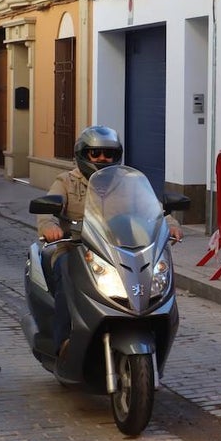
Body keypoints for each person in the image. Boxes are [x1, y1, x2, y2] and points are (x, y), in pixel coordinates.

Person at [38, 125, 182, 357]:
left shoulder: (127, 182)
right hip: (75, 246)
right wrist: (49, 226)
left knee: (153, 276)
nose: (102, 158)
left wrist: (170, 224)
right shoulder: (66, 181)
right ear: (82, 155)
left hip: (118, 248)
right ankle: (64, 341)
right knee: (66, 273)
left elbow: (153, 210)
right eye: (95, 153)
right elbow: (47, 210)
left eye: (109, 153)